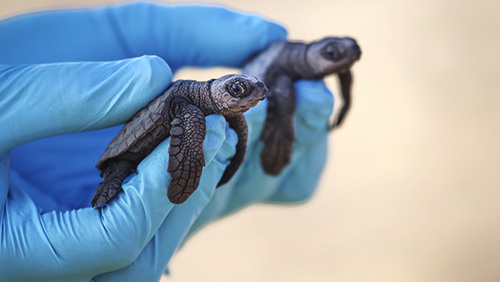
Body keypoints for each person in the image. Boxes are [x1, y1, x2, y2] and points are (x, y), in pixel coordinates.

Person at [0, 3, 334, 281]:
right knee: (119, 182)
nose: (248, 98)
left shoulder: (219, 111)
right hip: (124, 152)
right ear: (217, 89)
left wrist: (233, 158)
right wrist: (186, 172)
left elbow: (239, 142)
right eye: (239, 90)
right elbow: (184, 152)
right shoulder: (188, 107)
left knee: (232, 142)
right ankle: (106, 190)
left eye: (252, 92)